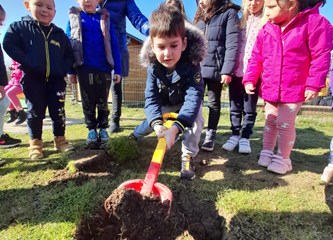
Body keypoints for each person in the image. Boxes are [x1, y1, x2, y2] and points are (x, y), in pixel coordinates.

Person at [243, 0, 333, 174]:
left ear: (290, 5)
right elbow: (256, 57)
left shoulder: (314, 24)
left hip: (294, 87)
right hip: (271, 86)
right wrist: (250, 79)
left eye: (270, 7)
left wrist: (314, 83)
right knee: (270, 119)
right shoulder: (267, 29)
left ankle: (283, 158)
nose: (266, 12)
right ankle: (267, 151)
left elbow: (321, 56)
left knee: (284, 123)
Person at [139, 4, 206, 180]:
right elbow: (151, 98)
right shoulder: (153, 68)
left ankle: (188, 155)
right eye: (161, 47)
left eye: (173, 45)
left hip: (185, 105)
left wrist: (176, 128)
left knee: (197, 119)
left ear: (183, 44)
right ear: (152, 46)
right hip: (165, 105)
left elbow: (193, 98)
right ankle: (134, 137)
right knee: (149, 122)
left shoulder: (192, 65)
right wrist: (157, 124)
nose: (167, 53)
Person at [3, 0, 75, 160]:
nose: (44, 10)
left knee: (59, 112)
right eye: (39, 5)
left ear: (54, 12)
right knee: (35, 112)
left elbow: (69, 55)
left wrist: (62, 68)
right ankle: (35, 145)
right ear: (28, 5)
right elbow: (8, 44)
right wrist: (28, 61)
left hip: (57, 80)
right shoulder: (19, 28)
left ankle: (60, 140)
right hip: (32, 79)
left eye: (49, 7)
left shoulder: (60, 34)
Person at [66, 0, 121, 149]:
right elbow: (69, 46)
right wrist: (70, 71)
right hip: (84, 69)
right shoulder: (75, 18)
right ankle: (91, 130)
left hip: (104, 69)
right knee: (88, 102)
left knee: (103, 102)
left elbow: (114, 45)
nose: (87, 1)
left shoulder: (104, 18)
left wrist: (118, 70)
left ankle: (103, 129)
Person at [193, 0, 240, 152]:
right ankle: (192, 132)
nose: (201, 1)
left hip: (216, 68)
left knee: (213, 102)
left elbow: (232, 43)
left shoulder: (228, 13)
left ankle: (210, 135)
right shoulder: (199, 17)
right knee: (194, 101)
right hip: (197, 68)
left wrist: (226, 69)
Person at [222, 0, 265, 154]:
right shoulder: (239, 20)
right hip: (235, 71)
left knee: (249, 108)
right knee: (235, 106)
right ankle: (234, 134)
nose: (253, 3)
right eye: (250, 0)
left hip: (253, 73)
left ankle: (245, 137)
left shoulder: (266, 21)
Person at [100, 0, 149, 134]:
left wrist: (152, 30)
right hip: (97, 48)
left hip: (116, 47)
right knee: (98, 85)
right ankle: (99, 121)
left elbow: (137, 17)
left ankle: (115, 119)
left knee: (116, 84)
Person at [0, 4, 21, 153]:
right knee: (6, 96)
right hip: (10, 82)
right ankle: (16, 112)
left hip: (19, 83)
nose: (1, 24)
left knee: (7, 97)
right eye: (0, 20)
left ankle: (20, 112)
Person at [5, 60, 27, 125]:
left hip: (23, 80)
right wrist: (12, 67)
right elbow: (14, 65)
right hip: (14, 79)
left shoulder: (23, 52)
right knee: (4, 91)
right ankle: (13, 112)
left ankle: (21, 112)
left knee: (11, 93)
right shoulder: (13, 55)